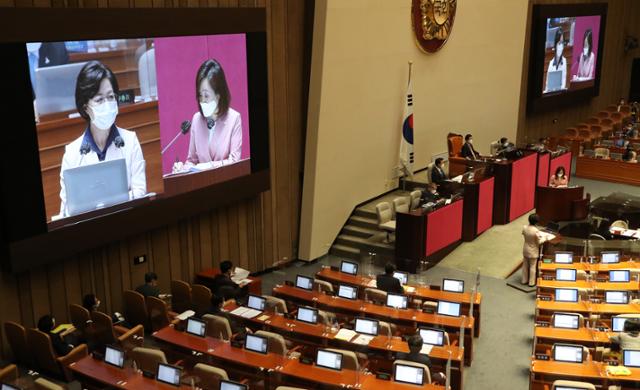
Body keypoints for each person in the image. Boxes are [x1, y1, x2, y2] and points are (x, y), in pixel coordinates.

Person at [57, 60, 147, 219]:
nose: (107, 104)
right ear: (85, 107)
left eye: (111, 97)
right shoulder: (71, 155)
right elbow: (67, 212)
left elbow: (140, 193)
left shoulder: (130, 141)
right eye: (99, 100)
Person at [173, 59, 242, 173]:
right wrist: (181, 168)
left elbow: (235, 161)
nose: (202, 101)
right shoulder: (196, 119)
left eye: (206, 95)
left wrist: (206, 166)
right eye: (200, 95)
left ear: (218, 95)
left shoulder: (234, 118)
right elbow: (192, 161)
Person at [521, 214, 548, 287]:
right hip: (533, 251)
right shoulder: (536, 231)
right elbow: (539, 242)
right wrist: (545, 238)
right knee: (532, 267)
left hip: (525, 249)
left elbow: (523, 234)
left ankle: (524, 280)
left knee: (525, 265)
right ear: (536, 222)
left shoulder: (524, 227)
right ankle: (531, 282)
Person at [545, 28, 567, 93]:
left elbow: (563, 83)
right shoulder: (551, 63)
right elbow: (547, 85)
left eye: (562, 43)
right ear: (555, 44)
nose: (561, 46)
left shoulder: (564, 61)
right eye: (559, 43)